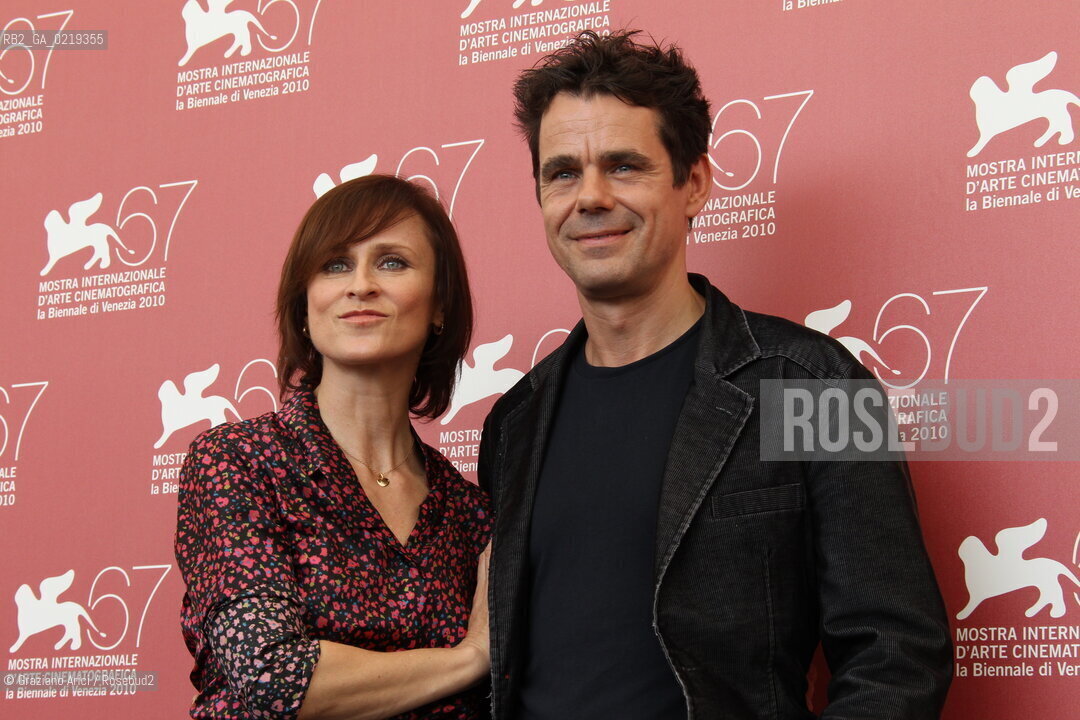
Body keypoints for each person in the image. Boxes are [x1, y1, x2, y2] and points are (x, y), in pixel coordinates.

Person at [478, 30, 953, 719]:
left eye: (624, 166)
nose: (590, 197)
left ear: (694, 183)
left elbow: (897, 651)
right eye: (562, 173)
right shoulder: (513, 422)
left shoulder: (813, 385)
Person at [175, 175, 492, 720]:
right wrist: (472, 657)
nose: (361, 284)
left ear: (440, 305)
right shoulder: (238, 462)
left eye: (392, 261)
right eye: (335, 265)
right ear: (304, 306)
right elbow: (274, 675)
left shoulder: (471, 514)